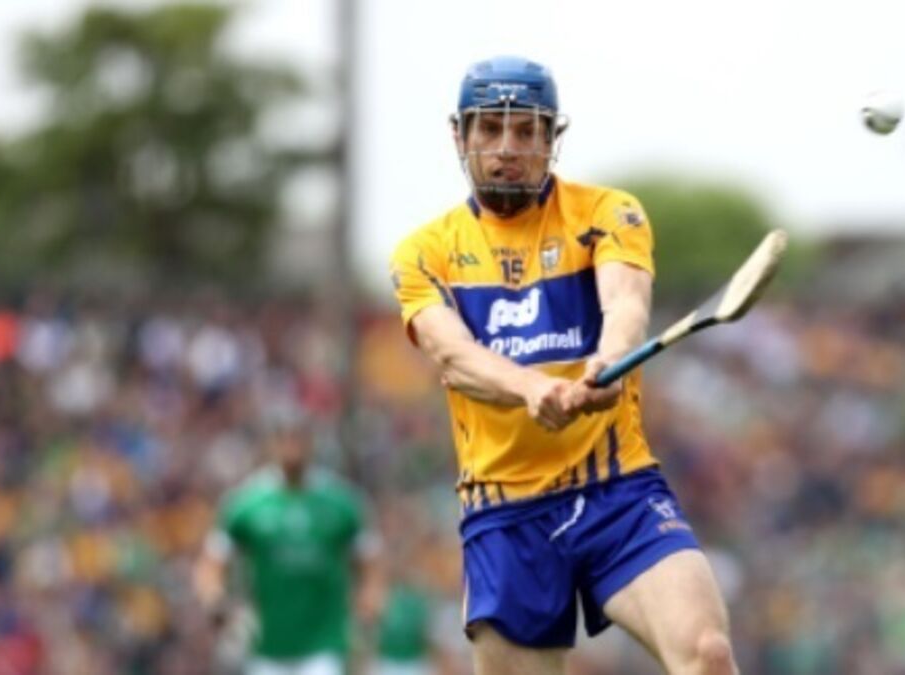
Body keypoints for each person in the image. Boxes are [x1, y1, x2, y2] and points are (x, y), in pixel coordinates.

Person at [389, 55, 738, 675]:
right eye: (490, 128)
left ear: (552, 137)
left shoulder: (608, 212)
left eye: (527, 130)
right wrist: (532, 389)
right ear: (460, 136)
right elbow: (454, 356)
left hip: (618, 491)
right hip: (505, 514)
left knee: (707, 654)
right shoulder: (425, 252)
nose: (508, 147)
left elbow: (625, 302)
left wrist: (610, 359)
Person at [193, 411, 384, 675]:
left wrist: (367, 608)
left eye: (298, 437)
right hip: (266, 643)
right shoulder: (247, 503)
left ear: (312, 443)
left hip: (324, 642)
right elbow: (212, 564)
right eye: (285, 437)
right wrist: (217, 602)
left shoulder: (342, 503)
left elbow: (371, 564)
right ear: (272, 443)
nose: (292, 446)